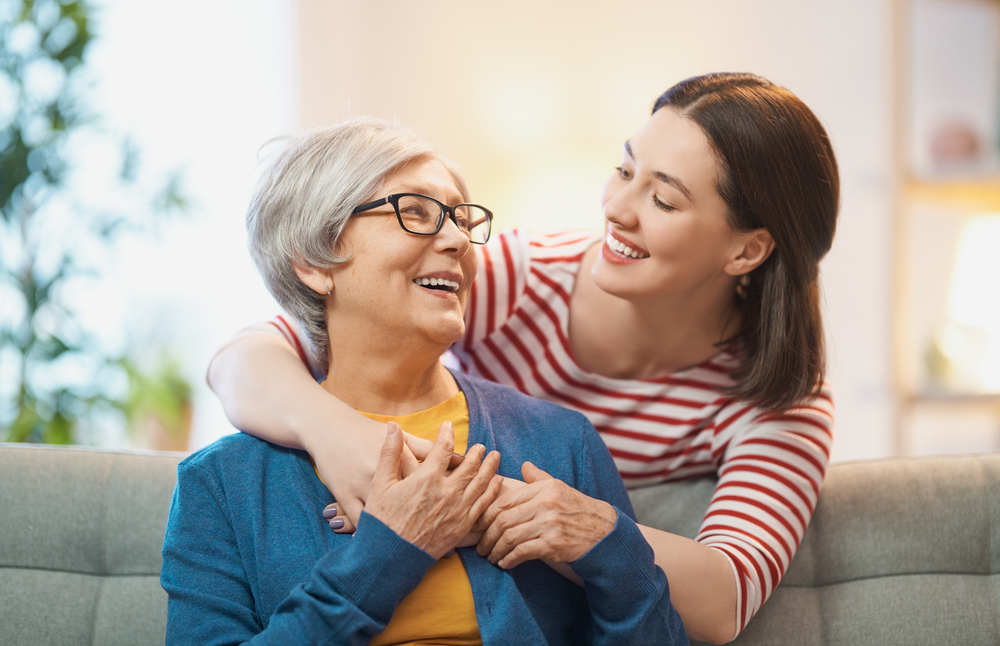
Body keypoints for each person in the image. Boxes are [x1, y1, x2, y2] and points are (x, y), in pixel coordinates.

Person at [208, 72, 838, 644]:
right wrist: (344, 440)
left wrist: (554, 522)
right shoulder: (525, 277)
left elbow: (725, 599)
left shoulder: (779, 403)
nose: (616, 210)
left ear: (746, 251)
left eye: (664, 201)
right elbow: (265, 348)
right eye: (624, 171)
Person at [161, 118, 689, 645]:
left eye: (462, 218)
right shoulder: (221, 485)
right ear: (313, 262)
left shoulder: (560, 441)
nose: (459, 239)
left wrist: (611, 547)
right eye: (414, 212)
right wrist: (389, 551)